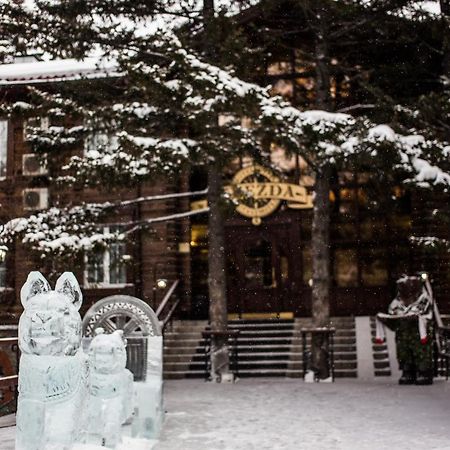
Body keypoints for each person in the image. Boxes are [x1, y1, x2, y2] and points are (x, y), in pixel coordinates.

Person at [388, 275, 433, 385]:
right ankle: (407, 371)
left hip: (418, 331)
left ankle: (423, 372)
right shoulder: (398, 300)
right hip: (403, 332)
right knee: (404, 352)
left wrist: (412, 314)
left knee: (421, 352)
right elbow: (393, 310)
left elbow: (422, 310)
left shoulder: (423, 298)